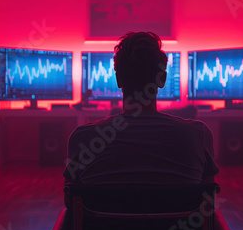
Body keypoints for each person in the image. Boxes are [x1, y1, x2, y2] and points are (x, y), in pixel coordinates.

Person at [63, 32, 219, 184]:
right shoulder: (199, 136)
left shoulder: (82, 138)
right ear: (162, 80)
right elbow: (208, 201)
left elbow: (71, 199)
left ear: (118, 80)